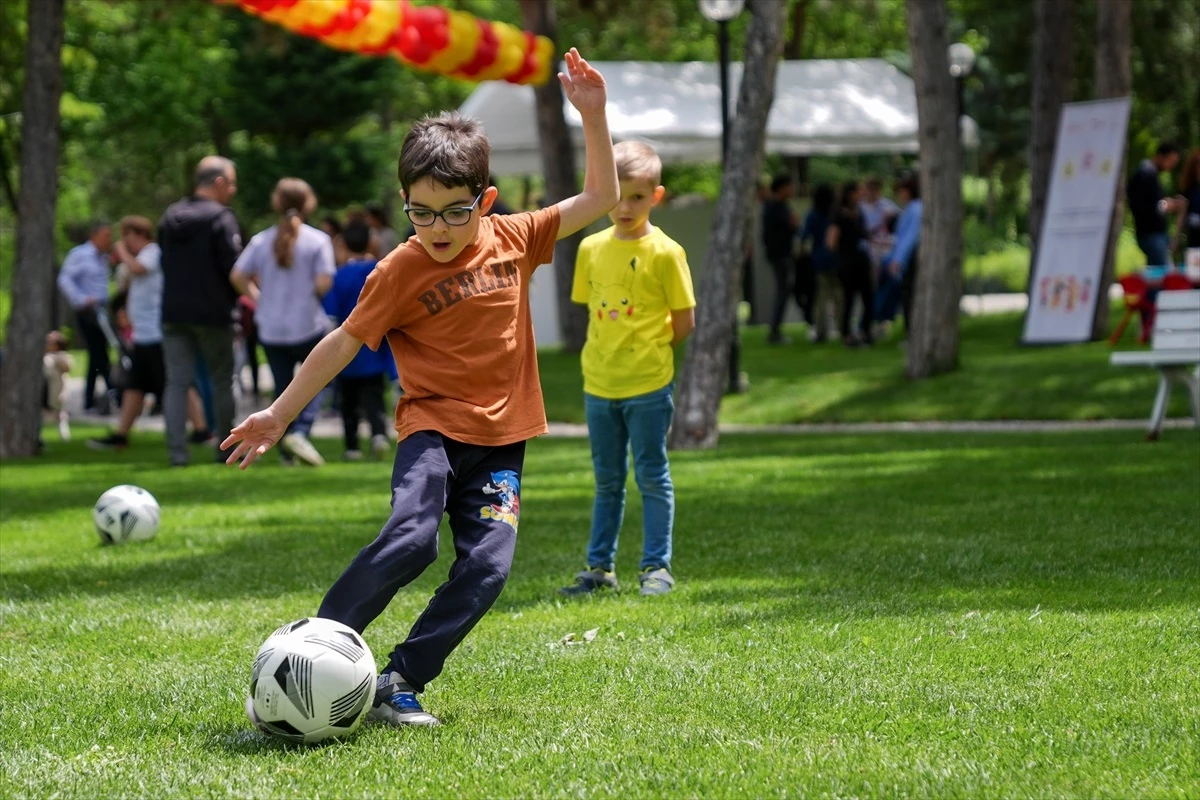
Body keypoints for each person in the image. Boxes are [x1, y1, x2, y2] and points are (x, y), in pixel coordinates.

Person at [224, 49, 617, 728]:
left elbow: (601, 199)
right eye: (420, 212)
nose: (436, 228)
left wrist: (593, 115)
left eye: (453, 212)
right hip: (431, 431)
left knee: (488, 570)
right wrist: (280, 415)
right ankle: (306, 659)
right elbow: (343, 341)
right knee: (412, 539)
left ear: (485, 201)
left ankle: (401, 678)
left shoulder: (516, 236)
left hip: (500, 445)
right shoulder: (399, 270)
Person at [558, 140, 695, 597]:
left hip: (649, 386)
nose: (625, 206)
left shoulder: (667, 253)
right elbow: (591, 311)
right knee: (608, 480)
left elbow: (684, 321)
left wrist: (650, 352)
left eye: (637, 196)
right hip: (598, 384)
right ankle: (599, 569)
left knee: (652, 476)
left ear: (656, 197)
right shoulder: (590, 249)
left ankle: (657, 568)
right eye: (616, 195)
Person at [231, 178, 336, 467]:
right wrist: (309, 295)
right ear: (308, 203)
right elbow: (325, 281)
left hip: (271, 326)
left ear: (277, 203)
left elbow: (238, 275)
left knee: (281, 390)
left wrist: (258, 298)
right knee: (319, 379)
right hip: (307, 324)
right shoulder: (317, 240)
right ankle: (299, 433)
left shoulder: (261, 240)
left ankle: (284, 450)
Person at [159, 155, 242, 467]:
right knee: (223, 379)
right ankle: (225, 451)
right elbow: (234, 269)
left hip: (173, 313)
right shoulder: (221, 218)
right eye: (231, 183)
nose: (233, 190)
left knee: (176, 382)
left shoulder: (170, 217)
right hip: (213, 314)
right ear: (218, 182)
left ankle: (176, 454)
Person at [88, 217, 167, 450]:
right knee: (135, 385)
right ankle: (121, 435)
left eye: (127, 237)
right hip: (142, 333)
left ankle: (203, 430)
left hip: (154, 333)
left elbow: (137, 268)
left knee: (174, 384)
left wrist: (121, 251)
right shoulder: (141, 256)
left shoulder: (152, 252)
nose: (124, 243)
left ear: (140, 234)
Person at [321, 218, 397, 461]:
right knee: (374, 398)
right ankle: (378, 435)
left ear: (342, 244)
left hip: (346, 352)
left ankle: (352, 446)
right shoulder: (381, 270)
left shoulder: (338, 276)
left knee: (348, 402)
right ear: (371, 241)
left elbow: (330, 315)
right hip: (375, 349)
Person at [56, 220, 113, 412]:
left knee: (99, 354)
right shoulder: (80, 254)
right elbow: (64, 279)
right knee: (98, 353)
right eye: (106, 236)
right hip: (87, 311)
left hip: (102, 310)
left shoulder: (102, 257)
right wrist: (80, 299)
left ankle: (95, 398)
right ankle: (105, 395)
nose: (109, 240)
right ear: (94, 235)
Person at [875, 172, 922, 334]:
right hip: (908, 258)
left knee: (909, 296)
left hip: (911, 259)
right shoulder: (912, 208)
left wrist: (898, 259)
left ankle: (913, 333)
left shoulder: (915, 209)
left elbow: (909, 237)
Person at [828, 181, 873, 346]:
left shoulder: (859, 212)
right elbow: (831, 241)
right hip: (848, 263)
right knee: (849, 299)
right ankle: (847, 333)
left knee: (868, 297)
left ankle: (865, 330)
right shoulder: (839, 215)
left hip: (861, 261)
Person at [1127, 141, 1184, 267]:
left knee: (1155, 275)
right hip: (1150, 234)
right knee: (1164, 274)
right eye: (1170, 161)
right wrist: (1164, 205)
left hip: (1155, 235)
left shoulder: (1152, 176)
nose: (1170, 166)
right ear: (1160, 156)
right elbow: (1140, 206)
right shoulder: (1143, 175)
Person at [761, 173, 801, 345]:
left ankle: (776, 329)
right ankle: (774, 331)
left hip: (783, 254)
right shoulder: (773, 208)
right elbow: (771, 235)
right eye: (789, 186)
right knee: (783, 290)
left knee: (785, 290)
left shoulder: (781, 206)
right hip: (780, 255)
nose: (792, 190)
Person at [798, 184, 839, 342]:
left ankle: (821, 330)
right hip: (834, 257)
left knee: (821, 296)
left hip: (818, 259)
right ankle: (842, 327)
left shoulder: (813, 215)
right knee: (838, 295)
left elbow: (804, 236)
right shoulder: (833, 214)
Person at [859, 176, 898, 281]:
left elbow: (898, 220)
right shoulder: (860, 207)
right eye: (870, 189)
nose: (872, 192)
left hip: (882, 248)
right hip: (865, 247)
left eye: (875, 189)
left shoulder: (888, 205)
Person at [43, 331, 73, 441]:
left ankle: (65, 437)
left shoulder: (61, 357)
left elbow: (67, 367)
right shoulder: (44, 357)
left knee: (61, 416)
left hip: (57, 391)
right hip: (45, 391)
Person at [1172, 146, 1200, 258]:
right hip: (1193, 244)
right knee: (1194, 274)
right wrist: (1176, 239)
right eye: (1198, 163)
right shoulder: (1189, 189)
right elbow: (1182, 216)